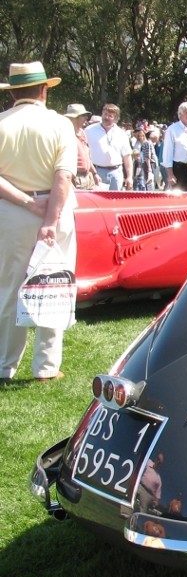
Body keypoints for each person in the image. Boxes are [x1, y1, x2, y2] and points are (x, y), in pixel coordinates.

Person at [0, 61, 77, 383]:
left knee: (8, 288)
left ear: (14, 91)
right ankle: (45, 366)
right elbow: (64, 175)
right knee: (55, 285)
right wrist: (50, 216)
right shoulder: (59, 124)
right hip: (55, 210)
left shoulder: (1, 123)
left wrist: (28, 203)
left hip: (12, 212)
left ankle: (5, 364)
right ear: (44, 89)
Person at [85, 103, 133, 190]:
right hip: (96, 172)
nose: (106, 117)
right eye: (105, 114)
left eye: (110, 116)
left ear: (116, 119)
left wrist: (129, 177)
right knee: (97, 201)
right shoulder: (89, 131)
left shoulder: (122, 134)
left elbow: (127, 156)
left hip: (116, 173)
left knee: (115, 201)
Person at [162, 101, 187, 190]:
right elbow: (167, 153)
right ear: (180, 114)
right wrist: (170, 175)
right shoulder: (172, 129)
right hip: (178, 169)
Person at [64, 103, 98, 189]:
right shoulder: (66, 134)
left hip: (88, 177)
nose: (86, 118)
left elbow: (87, 157)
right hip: (76, 178)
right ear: (75, 118)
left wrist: (94, 173)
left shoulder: (83, 132)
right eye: (83, 115)